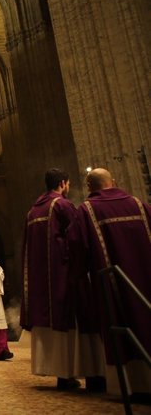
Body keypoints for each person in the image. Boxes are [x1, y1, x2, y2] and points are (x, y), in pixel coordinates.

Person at [20, 168, 105, 390]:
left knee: (57, 326)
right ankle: (91, 373)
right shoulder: (62, 205)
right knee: (79, 321)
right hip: (65, 276)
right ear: (64, 183)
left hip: (42, 281)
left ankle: (63, 374)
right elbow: (79, 237)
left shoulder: (32, 211)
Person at [77, 168, 151, 397]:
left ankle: (127, 387)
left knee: (121, 325)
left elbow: (77, 249)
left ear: (89, 187)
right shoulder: (139, 204)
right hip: (146, 281)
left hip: (111, 284)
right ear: (114, 181)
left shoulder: (87, 210)